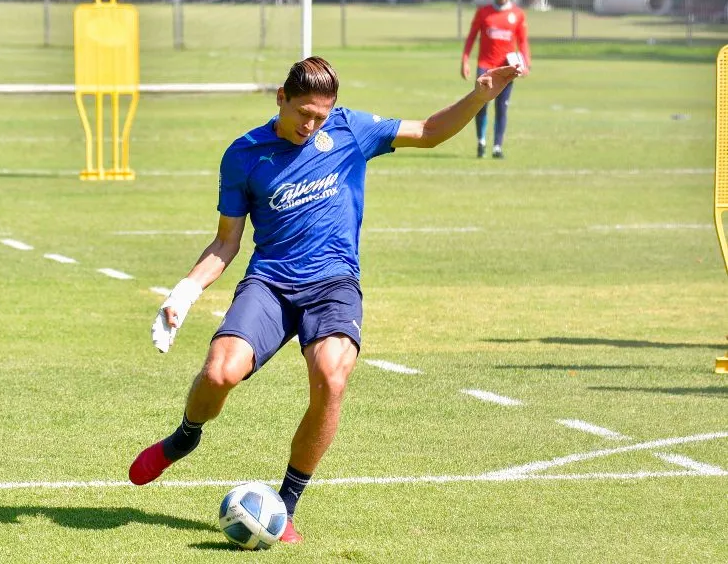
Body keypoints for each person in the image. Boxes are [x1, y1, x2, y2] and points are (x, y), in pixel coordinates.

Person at [130, 56, 520, 544]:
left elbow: (429, 131)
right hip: (270, 282)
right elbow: (227, 241)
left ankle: (285, 505)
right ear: (281, 98)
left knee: (332, 377)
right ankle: (185, 436)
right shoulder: (244, 154)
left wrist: (481, 94)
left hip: (334, 284)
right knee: (218, 373)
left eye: (320, 117)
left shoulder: (352, 130)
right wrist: (184, 292)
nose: (310, 126)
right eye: (302, 115)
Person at [461, 0, 531, 159]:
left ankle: (497, 147)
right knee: (481, 105)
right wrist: (465, 60)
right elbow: (471, 37)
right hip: (485, 66)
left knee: (502, 107)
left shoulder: (517, 14)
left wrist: (525, 63)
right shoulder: (484, 12)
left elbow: (523, 41)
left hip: (507, 69)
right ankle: (481, 142)